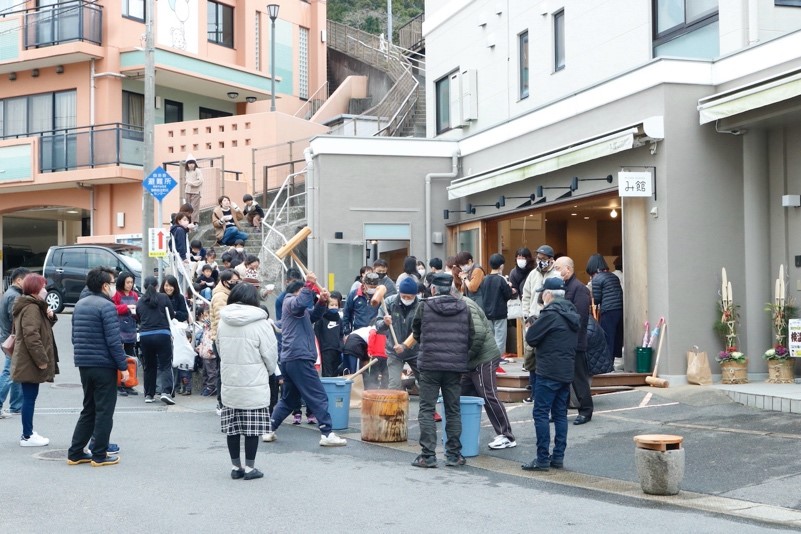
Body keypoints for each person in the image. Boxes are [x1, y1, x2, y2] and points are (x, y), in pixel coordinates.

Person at [263, 273, 347, 447]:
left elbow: (314, 314)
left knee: (289, 399)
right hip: (299, 357)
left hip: (292, 358)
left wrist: (322, 301)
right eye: (303, 291)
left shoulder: (298, 310)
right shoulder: (289, 302)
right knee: (318, 395)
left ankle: (269, 429)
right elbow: (300, 302)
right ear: (298, 291)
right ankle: (326, 433)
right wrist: (309, 285)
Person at [405, 273, 474, 468]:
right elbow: (471, 335)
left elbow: (416, 331)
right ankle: (453, 455)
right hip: (454, 366)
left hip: (430, 364)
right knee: (453, 410)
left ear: (433, 289)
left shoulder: (424, 306)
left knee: (427, 409)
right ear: (451, 288)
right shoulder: (463, 306)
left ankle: (428, 456)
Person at [67, 267, 129, 466]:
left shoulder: (80, 304)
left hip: (84, 363)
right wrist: (124, 367)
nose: (113, 287)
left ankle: (75, 452)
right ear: (104, 286)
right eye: (112, 283)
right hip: (103, 365)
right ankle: (99, 455)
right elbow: (113, 341)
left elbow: (74, 337)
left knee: (89, 408)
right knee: (104, 411)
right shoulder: (106, 306)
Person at [217, 282, 278, 480]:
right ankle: (251, 468)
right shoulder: (261, 323)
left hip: (230, 380)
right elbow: (270, 356)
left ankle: (236, 468)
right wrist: (268, 372)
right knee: (252, 429)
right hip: (254, 382)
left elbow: (219, 348)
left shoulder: (222, 321)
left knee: (232, 428)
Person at [522, 276, 579, 471]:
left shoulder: (549, 314)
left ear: (547, 294)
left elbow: (532, 338)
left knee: (540, 413)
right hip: (565, 371)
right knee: (560, 415)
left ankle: (542, 458)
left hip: (548, 371)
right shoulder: (572, 312)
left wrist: (531, 326)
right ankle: (558, 457)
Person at [458, 283, 516, 450]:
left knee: (488, 394)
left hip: (483, 357)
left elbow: (479, 334)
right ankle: (460, 434)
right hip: (470, 360)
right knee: (461, 395)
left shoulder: (465, 305)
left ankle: (506, 435)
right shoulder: (455, 305)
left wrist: (466, 356)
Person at [11, 274, 57, 447]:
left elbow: (41, 329)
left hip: (27, 359)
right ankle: (27, 435)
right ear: (36, 289)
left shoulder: (33, 306)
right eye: (43, 287)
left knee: (29, 396)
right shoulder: (31, 308)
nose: (45, 290)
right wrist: (42, 360)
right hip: (30, 360)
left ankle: (28, 432)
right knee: (29, 397)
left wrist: (49, 315)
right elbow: (32, 336)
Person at [554, 256, 593, 425]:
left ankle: (585, 410)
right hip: (560, 342)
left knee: (579, 379)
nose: (555, 270)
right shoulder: (559, 287)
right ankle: (559, 411)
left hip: (575, 342)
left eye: (557, 267)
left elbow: (580, 318)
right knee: (560, 379)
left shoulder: (579, 289)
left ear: (567, 269)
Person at [520, 245, 561, 403]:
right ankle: (533, 390)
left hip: (548, 321)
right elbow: (526, 295)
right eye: (539, 258)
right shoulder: (532, 274)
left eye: (544, 259)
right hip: (532, 321)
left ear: (551, 259)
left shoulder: (556, 274)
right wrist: (526, 316)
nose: (540, 261)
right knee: (530, 357)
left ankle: (541, 393)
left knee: (544, 357)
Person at [137, 276, 176, 405]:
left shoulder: (140, 301)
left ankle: (149, 394)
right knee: (165, 364)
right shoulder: (164, 297)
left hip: (145, 336)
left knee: (149, 366)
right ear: (157, 285)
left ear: (144, 287)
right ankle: (166, 392)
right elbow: (171, 314)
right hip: (162, 334)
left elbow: (138, 318)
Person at [378, 277, 421, 390]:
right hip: (394, 352)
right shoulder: (389, 302)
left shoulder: (421, 306)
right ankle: (393, 407)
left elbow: (421, 330)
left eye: (409, 297)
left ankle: (429, 407)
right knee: (394, 385)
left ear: (415, 295)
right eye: (403, 296)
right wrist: (384, 322)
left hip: (416, 352)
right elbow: (378, 326)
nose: (406, 299)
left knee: (425, 383)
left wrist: (405, 345)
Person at [0, 267, 29, 417]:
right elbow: (15, 320)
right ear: (18, 280)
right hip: (12, 340)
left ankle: (16, 406)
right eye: (27, 280)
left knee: (16, 372)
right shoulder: (14, 296)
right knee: (10, 372)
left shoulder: (12, 294)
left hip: (8, 338)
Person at [210, 270, 241, 410]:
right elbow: (221, 317)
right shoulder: (220, 296)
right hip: (221, 339)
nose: (236, 284)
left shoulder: (228, 294)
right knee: (223, 371)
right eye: (233, 282)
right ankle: (221, 403)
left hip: (226, 338)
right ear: (224, 282)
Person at [586, 254, 624, 361]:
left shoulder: (597, 278)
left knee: (608, 337)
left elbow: (597, 299)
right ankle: (616, 359)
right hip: (620, 309)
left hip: (608, 311)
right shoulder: (613, 276)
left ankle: (608, 362)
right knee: (617, 336)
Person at [480, 253, 514, 354]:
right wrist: (509, 287)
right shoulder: (501, 279)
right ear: (501, 266)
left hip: (487, 312)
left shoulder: (485, 279)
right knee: (500, 336)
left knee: (491, 336)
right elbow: (508, 295)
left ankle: (491, 357)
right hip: (500, 312)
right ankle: (498, 358)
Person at [111, 272, 139, 397]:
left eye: (131, 282)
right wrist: (126, 307)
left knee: (130, 357)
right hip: (119, 328)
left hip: (131, 329)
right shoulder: (117, 294)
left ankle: (129, 383)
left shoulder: (135, 295)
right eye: (127, 282)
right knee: (120, 357)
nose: (129, 285)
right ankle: (119, 384)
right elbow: (113, 308)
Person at [314, 291, 344, 377]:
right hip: (325, 350)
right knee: (327, 373)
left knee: (335, 372)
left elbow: (341, 335)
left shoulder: (339, 320)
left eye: (336, 305)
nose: (334, 307)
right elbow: (317, 334)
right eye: (332, 305)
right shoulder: (321, 319)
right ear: (327, 306)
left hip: (337, 350)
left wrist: (341, 347)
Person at [342, 272, 382, 336]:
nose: (372, 289)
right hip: (357, 332)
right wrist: (346, 332)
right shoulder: (353, 294)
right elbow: (346, 313)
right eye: (371, 287)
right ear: (364, 284)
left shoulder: (380, 296)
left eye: (375, 287)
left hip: (375, 332)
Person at [195, 306, 217, 397]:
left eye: (207, 316)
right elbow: (203, 340)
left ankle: (211, 387)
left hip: (210, 353)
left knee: (211, 372)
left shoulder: (213, 328)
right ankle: (206, 386)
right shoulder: (205, 328)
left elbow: (214, 339)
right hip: (204, 353)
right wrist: (200, 347)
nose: (205, 318)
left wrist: (213, 349)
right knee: (205, 372)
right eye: (204, 316)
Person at [183, 154, 203, 224]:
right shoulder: (186, 171)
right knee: (187, 207)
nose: (191, 165)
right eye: (189, 163)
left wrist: (190, 183)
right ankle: (187, 221)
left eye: (192, 163)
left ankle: (194, 222)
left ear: (195, 164)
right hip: (187, 191)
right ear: (187, 164)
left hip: (196, 192)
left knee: (194, 207)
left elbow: (200, 181)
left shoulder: (197, 170)